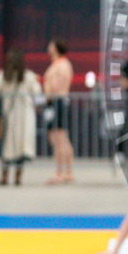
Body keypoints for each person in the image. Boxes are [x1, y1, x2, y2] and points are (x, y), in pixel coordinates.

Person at [0, 51, 41, 185]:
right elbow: (38, 92)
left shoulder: (4, 75)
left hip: (10, 115)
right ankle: (18, 178)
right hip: (26, 115)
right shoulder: (28, 76)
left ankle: (4, 177)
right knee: (21, 148)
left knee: (8, 147)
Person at [43, 37, 75, 183]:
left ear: (55, 47)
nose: (48, 47)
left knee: (59, 139)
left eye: (51, 44)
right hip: (55, 103)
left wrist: (46, 87)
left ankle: (61, 172)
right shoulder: (59, 64)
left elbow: (56, 87)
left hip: (57, 102)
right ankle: (66, 172)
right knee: (61, 138)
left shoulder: (61, 65)